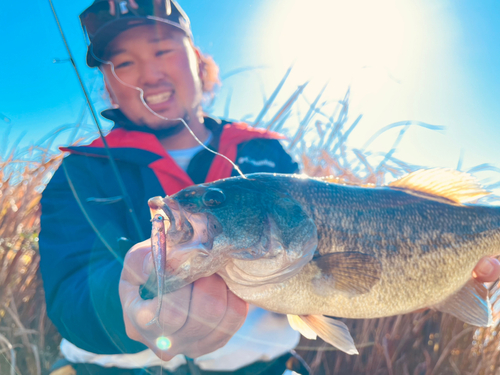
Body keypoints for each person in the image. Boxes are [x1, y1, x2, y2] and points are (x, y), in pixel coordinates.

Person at [39, 1, 500, 374]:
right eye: (123, 62)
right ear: (106, 86)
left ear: (200, 64)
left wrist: (450, 273)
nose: (148, 73)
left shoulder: (267, 158)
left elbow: (337, 270)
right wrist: (124, 301)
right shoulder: (79, 173)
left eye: (163, 51)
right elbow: (67, 295)